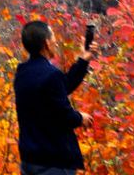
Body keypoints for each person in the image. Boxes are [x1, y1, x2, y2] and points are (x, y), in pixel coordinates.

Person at [14, 19, 93, 175]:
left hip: (30, 160)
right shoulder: (51, 75)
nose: (56, 42)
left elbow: (60, 89)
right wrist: (80, 118)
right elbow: (64, 114)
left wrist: (83, 60)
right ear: (46, 43)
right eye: (53, 39)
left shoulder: (22, 72)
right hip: (53, 161)